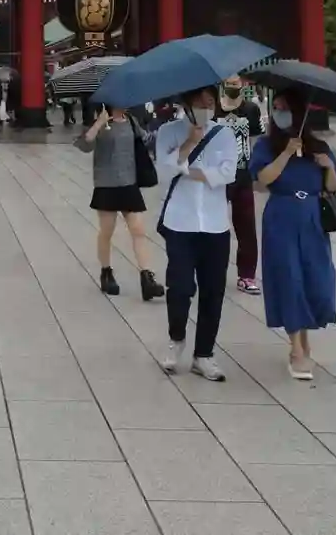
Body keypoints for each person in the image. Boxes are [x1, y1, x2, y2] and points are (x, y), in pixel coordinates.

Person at [250, 88, 336, 380]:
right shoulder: (266, 146)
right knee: (289, 277)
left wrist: (328, 167)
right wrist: (286, 153)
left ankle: (305, 338)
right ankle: (296, 349)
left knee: (316, 277)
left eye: (285, 108)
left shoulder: (319, 147)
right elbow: (262, 180)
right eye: (276, 108)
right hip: (282, 216)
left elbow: (333, 187)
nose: (280, 113)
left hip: (312, 217)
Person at [153, 87, 239, 380]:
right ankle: (176, 339)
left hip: (215, 225)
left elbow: (228, 173)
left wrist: (189, 171)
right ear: (187, 104)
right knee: (179, 287)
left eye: (210, 101)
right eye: (200, 102)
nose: (206, 106)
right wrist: (190, 143)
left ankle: (204, 354)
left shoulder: (224, 134)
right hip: (180, 222)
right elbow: (163, 172)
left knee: (213, 291)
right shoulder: (168, 132)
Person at [76, 106, 165, 302]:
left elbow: (147, 139)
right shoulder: (101, 121)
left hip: (129, 183)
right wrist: (99, 123)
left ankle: (147, 278)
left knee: (138, 229)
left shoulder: (131, 120)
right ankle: (106, 272)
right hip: (106, 184)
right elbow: (84, 145)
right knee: (107, 231)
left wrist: (171, 132)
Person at [216, 75, 265, 295]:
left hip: (243, 174)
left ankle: (246, 275)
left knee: (246, 227)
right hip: (218, 176)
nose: (233, 86)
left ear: (243, 85)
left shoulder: (251, 109)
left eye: (237, 82)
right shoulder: (214, 110)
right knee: (215, 227)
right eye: (229, 82)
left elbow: (256, 140)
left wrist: (256, 167)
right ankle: (213, 271)